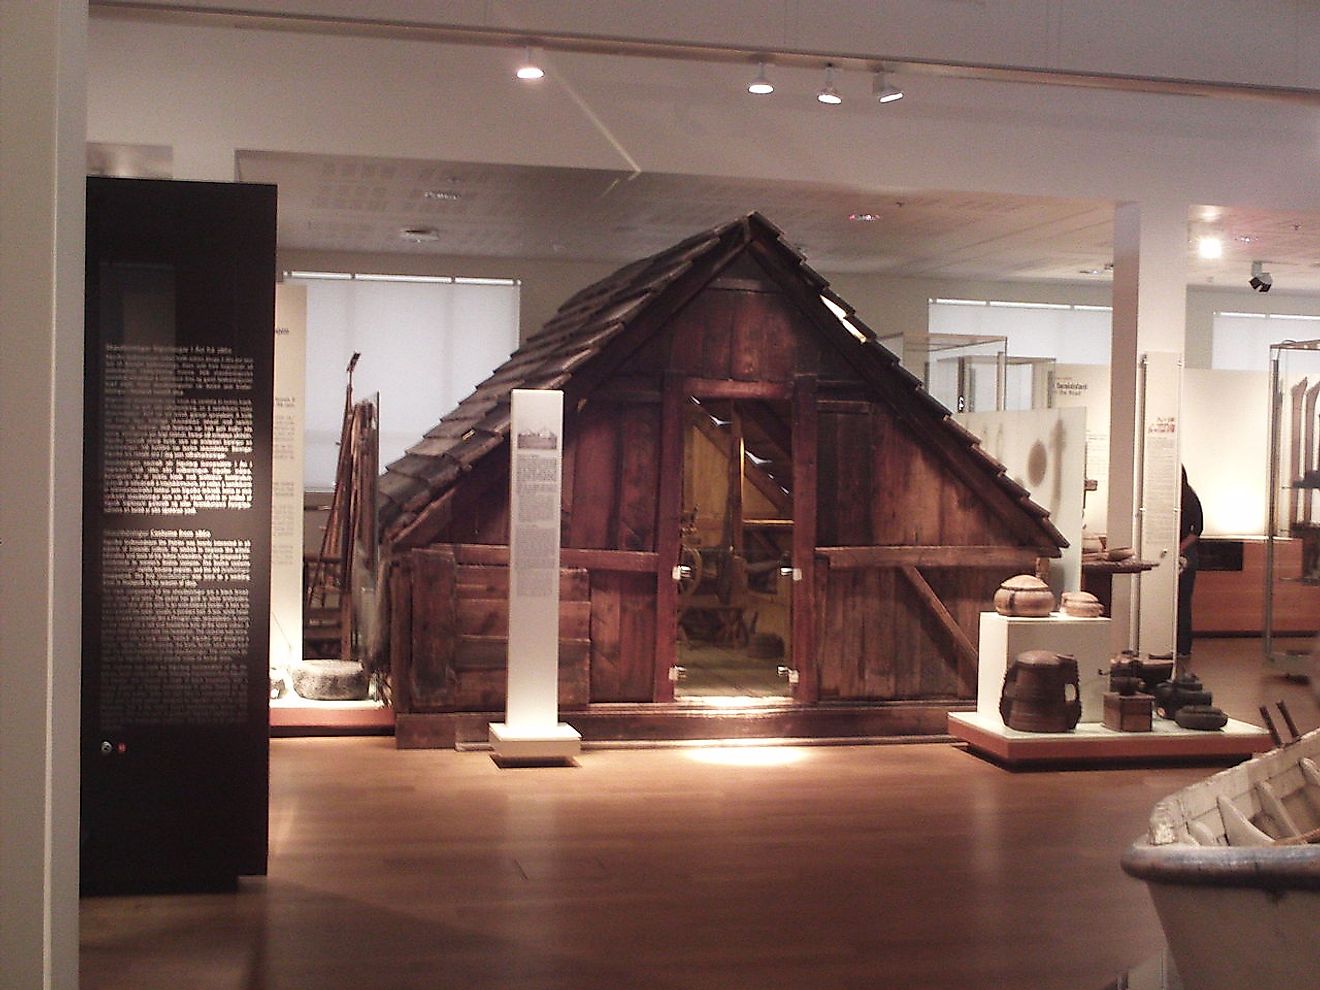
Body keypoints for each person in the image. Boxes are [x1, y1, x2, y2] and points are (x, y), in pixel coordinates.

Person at [1177, 467, 1203, 660]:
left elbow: (1197, 529)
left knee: (1183, 602)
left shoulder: (1189, 497)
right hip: (1179, 553)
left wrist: (1179, 547)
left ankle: (1184, 645)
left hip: (1185, 556)